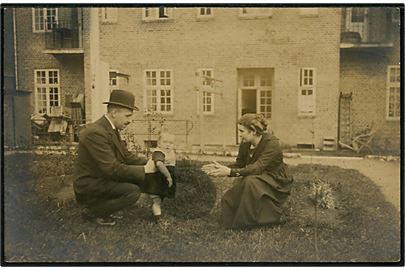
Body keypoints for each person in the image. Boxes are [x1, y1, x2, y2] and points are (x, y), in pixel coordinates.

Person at [73, 89, 156, 226]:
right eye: (127, 116)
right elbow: (111, 169)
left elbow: (126, 156)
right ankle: (92, 212)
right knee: (132, 192)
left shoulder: (110, 129)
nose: (130, 120)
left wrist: (152, 162)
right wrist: (145, 170)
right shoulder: (96, 132)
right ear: (114, 112)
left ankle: (104, 209)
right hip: (89, 184)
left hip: (100, 179)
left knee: (142, 179)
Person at [202, 113, 293, 229]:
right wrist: (221, 168)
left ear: (253, 131)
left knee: (249, 182)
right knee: (230, 196)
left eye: (241, 131)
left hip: (276, 181)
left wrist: (230, 172)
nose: (239, 135)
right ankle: (236, 220)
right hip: (257, 177)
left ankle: (246, 223)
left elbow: (258, 167)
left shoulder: (272, 143)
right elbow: (240, 164)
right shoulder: (245, 144)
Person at [141, 132, 177, 220]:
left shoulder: (170, 152)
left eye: (171, 143)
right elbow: (159, 164)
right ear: (159, 143)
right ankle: (158, 218)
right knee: (157, 199)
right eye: (165, 142)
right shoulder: (158, 153)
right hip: (153, 177)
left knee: (159, 198)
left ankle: (156, 210)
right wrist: (168, 177)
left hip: (160, 177)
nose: (168, 145)